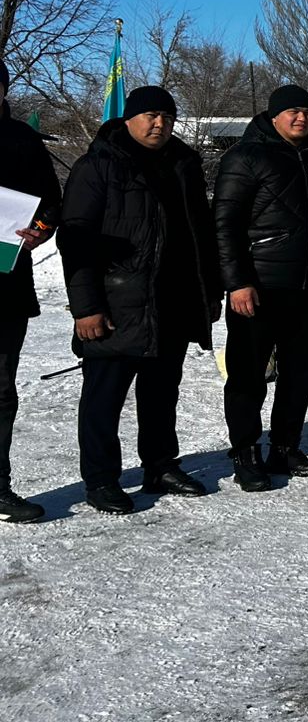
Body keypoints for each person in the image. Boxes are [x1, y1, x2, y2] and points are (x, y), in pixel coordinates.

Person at [59, 86, 222, 514]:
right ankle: (100, 479)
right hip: (117, 306)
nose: (159, 123)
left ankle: (160, 466)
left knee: (161, 393)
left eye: (167, 116)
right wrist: (86, 308)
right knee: (104, 398)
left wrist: (208, 293)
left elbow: (199, 234)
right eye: (151, 115)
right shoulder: (99, 166)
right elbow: (74, 240)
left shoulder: (183, 164)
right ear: (129, 118)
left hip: (172, 302)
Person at [212, 84, 308, 490]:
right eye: (292, 112)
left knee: (300, 374)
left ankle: (285, 446)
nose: (301, 118)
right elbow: (225, 224)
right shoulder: (245, 156)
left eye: (307, 111)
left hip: (307, 287)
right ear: (274, 115)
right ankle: (245, 452)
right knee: (248, 375)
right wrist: (238, 282)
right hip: (259, 286)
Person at [0, 62, 61, 522]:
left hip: (5, 284)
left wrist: (39, 229)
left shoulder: (22, 138)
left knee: (1, 390)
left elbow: (50, 202)